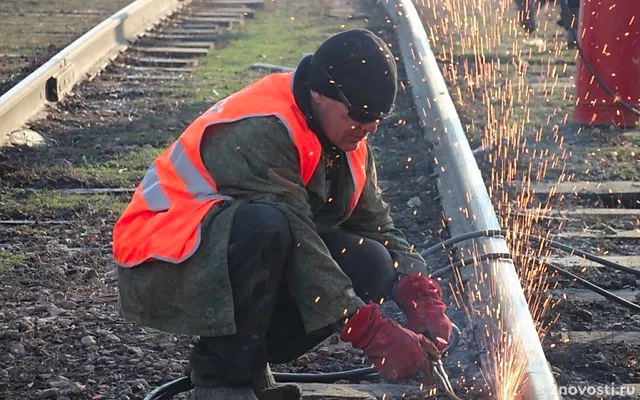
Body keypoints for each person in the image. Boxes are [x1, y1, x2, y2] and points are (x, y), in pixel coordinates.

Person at [112, 28, 453, 400]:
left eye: (378, 119)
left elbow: (377, 225)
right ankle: (221, 377)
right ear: (321, 93)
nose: (369, 127)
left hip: (220, 259)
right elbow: (299, 238)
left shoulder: (349, 137)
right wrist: (369, 330)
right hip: (166, 259)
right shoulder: (263, 128)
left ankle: (250, 361)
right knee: (267, 226)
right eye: (360, 114)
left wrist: (420, 293)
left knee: (371, 259)